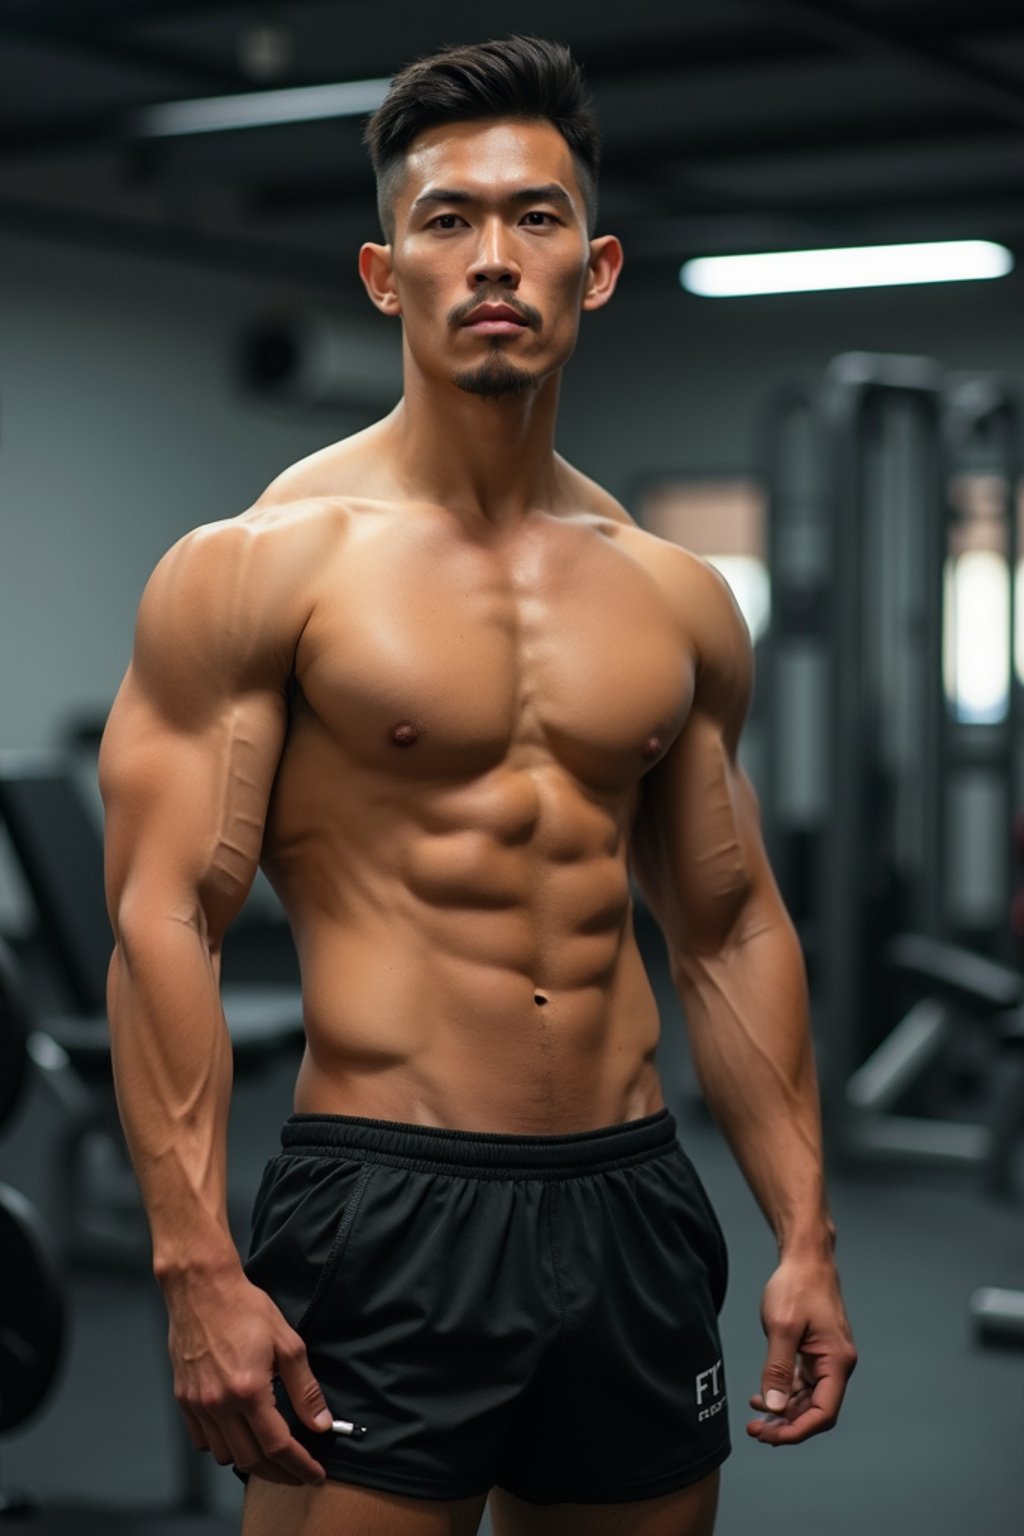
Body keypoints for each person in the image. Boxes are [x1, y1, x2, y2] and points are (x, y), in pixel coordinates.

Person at [100, 34, 856, 1536]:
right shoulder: (263, 567)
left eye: (537, 216)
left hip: (633, 1193)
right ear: (386, 274)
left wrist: (806, 1234)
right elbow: (164, 914)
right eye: (449, 219)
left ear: (601, 264)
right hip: (388, 1198)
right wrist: (196, 1267)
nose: (494, 257)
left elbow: (726, 925)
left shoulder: (674, 596)